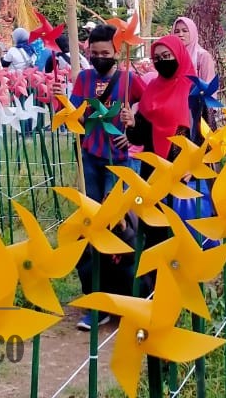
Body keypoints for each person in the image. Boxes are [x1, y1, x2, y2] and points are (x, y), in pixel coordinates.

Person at [65, 23, 146, 330]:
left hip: (118, 158)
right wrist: (74, 108)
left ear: (116, 52)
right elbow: (76, 113)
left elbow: (147, 107)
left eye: (105, 53)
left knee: (115, 224)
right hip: (90, 157)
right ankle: (95, 299)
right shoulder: (84, 78)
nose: (99, 57)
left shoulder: (128, 79)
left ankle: (122, 294)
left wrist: (132, 120)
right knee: (89, 224)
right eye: (94, 53)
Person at [122, 35, 194, 243]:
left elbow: (203, 130)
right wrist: (132, 123)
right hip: (153, 169)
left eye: (167, 56)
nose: (162, 61)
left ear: (179, 55)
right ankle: (155, 273)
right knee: (155, 229)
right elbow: (138, 136)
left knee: (184, 228)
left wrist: (192, 163)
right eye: (157, 58)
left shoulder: (192, 88)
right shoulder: (152, 88)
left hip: (184, 169)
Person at [172, 17, 216, 83]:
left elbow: (209, 84)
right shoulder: (170, 55)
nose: (180, 35)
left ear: (192, 32)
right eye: (177, 32)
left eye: (185, 31)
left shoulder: (202, 56)